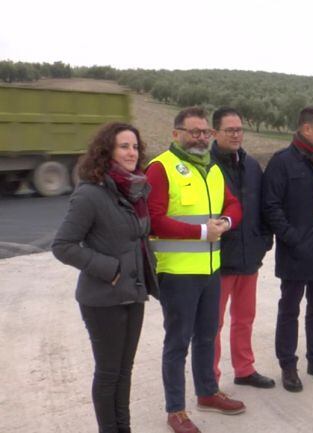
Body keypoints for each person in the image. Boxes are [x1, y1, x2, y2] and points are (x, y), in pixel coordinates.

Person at [53, 122, 157, 433]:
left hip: (133, 293)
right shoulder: (90, 194)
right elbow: (63, 245)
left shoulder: (134, 190)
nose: (131, 152)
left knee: (125, 371)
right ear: (107, 150)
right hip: (103, 299)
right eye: (124, 146)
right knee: (109, 372)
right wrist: (110, 269)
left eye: (135, 147)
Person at [146, 107, 245, 433]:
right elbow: (155, 219)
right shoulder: (160, 169)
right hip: (177, 273)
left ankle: (207, 393)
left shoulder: (212, 169)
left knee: (207, 334)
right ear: (176, 134)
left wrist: (226, 221)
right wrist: (203, 232)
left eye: (205, 132)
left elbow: (232, 204)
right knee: (178, 343)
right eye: (194, 132)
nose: (201, 137)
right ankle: (176, 410)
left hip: (210, 269)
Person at [261, 106, 313, 393]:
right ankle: (288, 364)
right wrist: (291, 237)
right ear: (306, 129)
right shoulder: (282, 162)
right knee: (290, 308)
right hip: (296, 249)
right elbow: (270, 205)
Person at [210, 107, 275, 389]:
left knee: (245, 318)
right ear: (215, 133)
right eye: (230, 130)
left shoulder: (251, 165)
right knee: (213, 325)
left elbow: (262, 206)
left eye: (239, 129)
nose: (236, 135)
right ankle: (209, 379)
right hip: (218, 261)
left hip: (250, 258)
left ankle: (244, 369)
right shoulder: (206, 166)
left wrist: (263, 241)